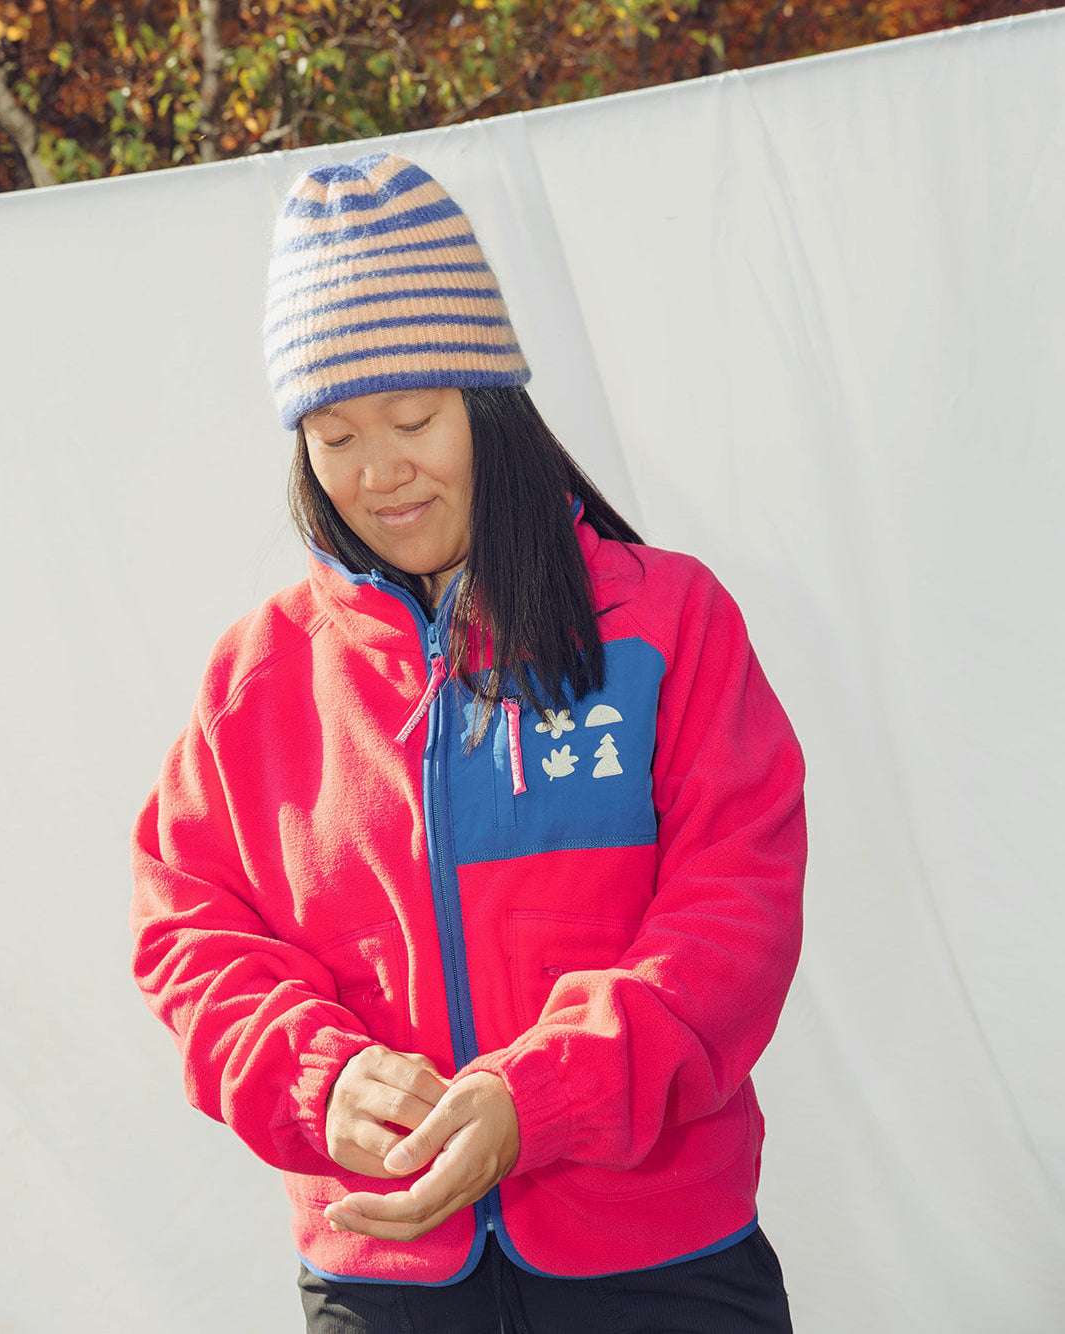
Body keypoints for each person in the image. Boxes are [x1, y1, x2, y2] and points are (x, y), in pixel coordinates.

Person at [130, 151, 807, 1333]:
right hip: (381, 1277)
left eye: (412, 415)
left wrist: (536, 1097)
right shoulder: (258, 677)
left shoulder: (665, 622)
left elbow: (732, 912)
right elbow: (188, 931)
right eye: (333, 433)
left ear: (489, 403)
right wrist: (315, 1077)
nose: (378, 470)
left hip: (658, 1262)